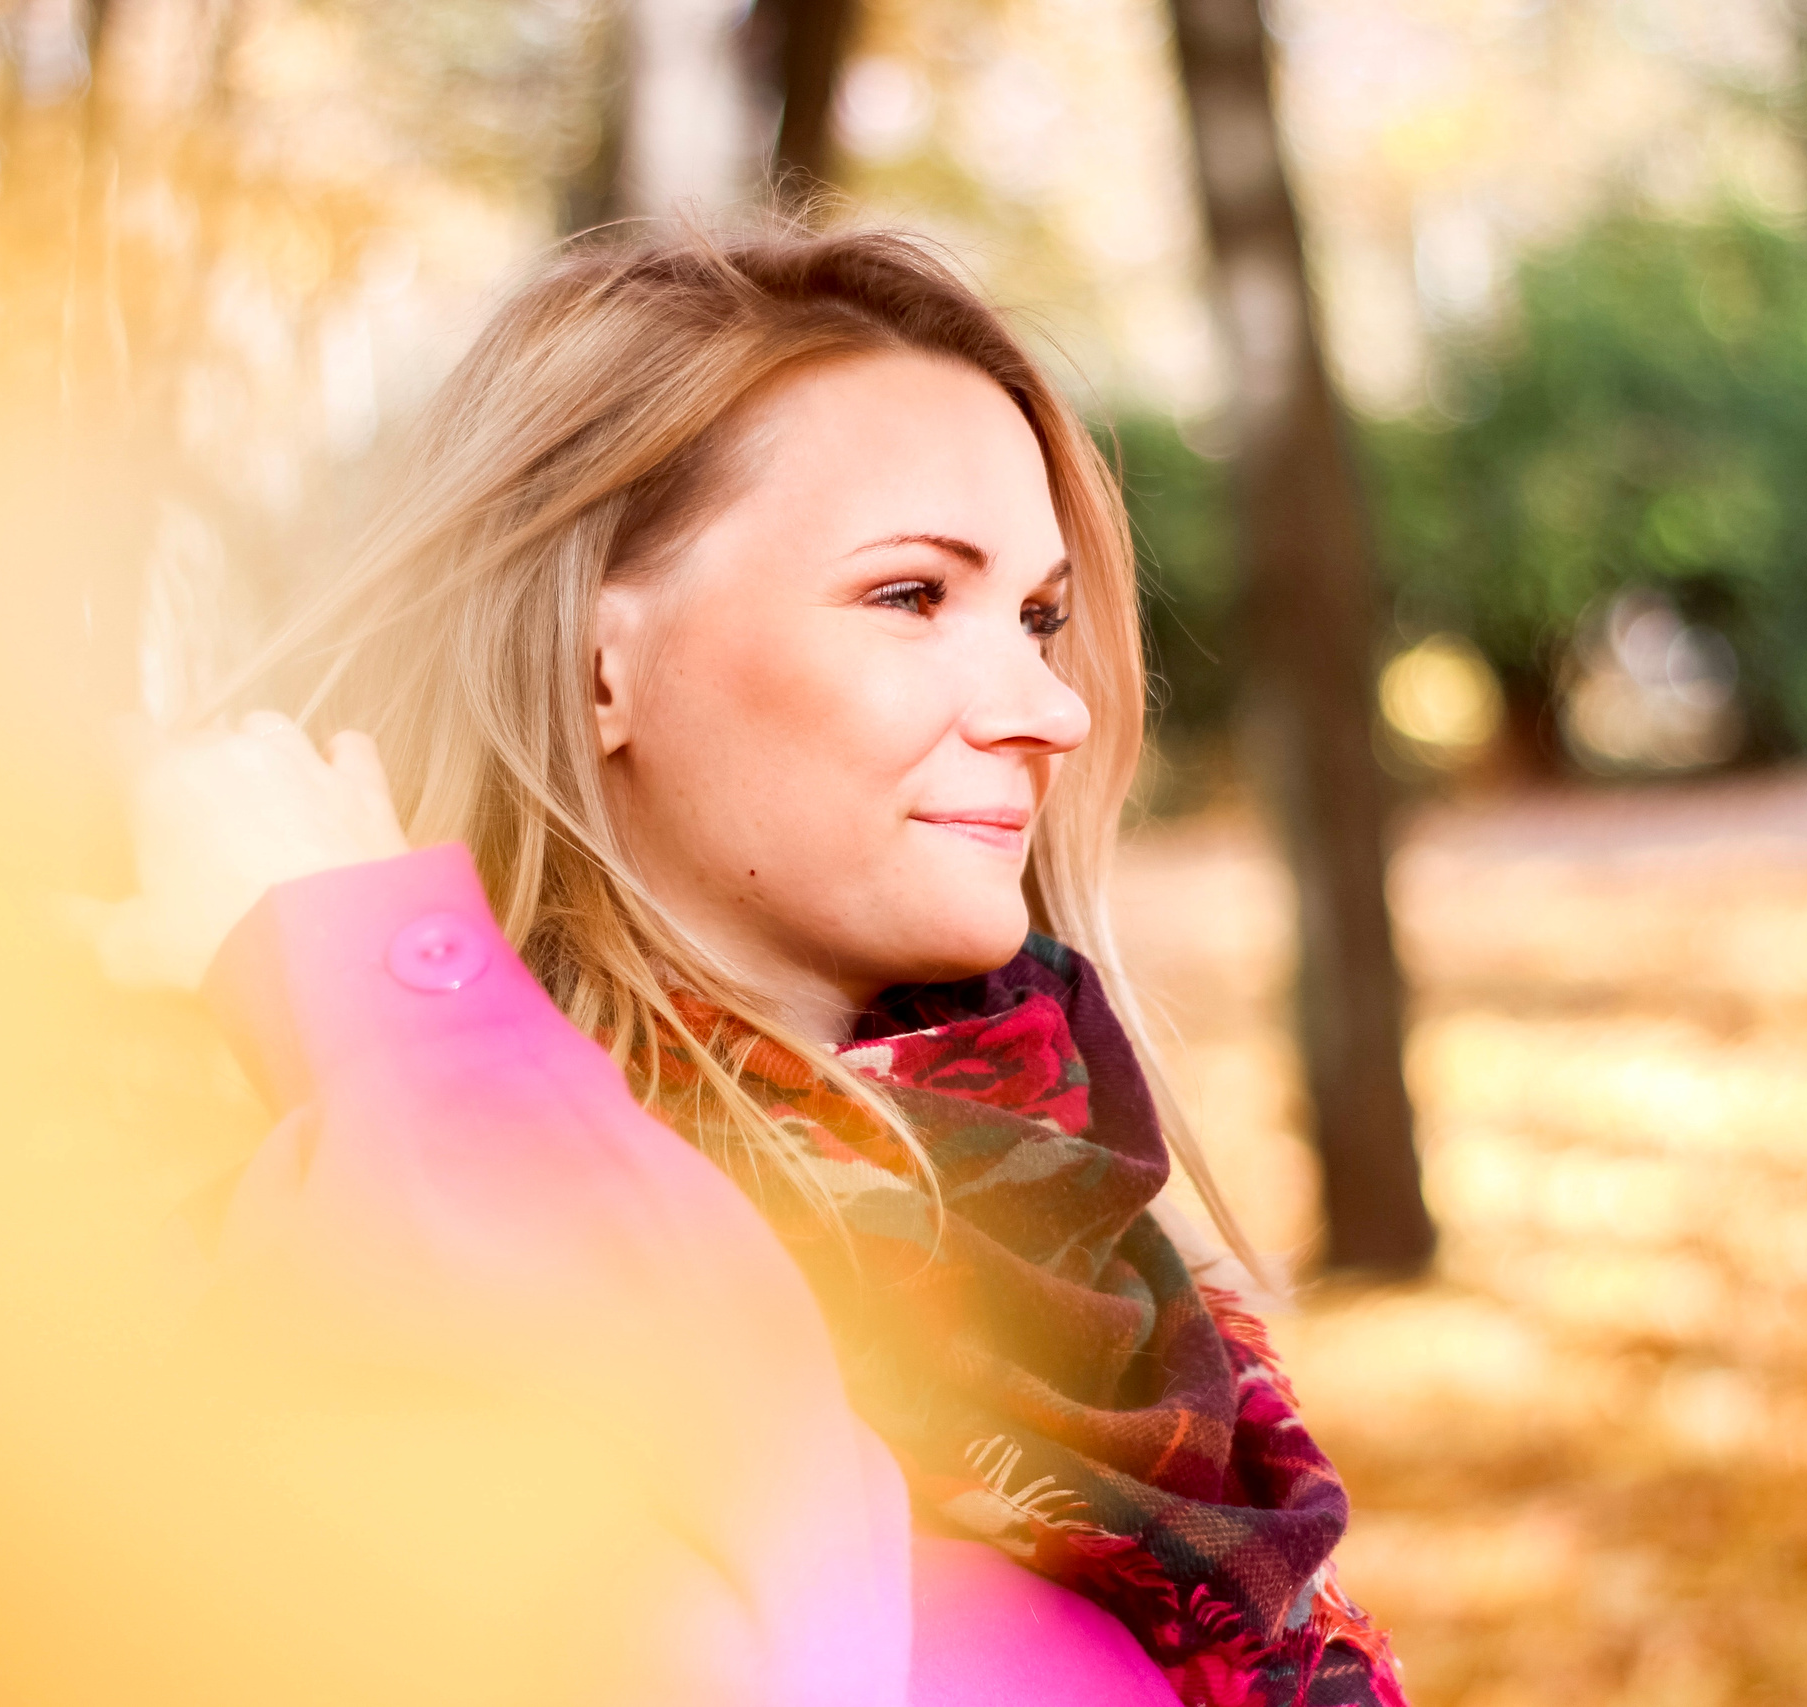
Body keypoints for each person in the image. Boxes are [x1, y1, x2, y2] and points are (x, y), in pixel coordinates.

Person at [95, 224, 1407, 1707]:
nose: (1055, 709)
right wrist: (400, 1021)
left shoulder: (1094, 1279)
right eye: (912, 596)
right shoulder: (334, 1262)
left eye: (1040, 618)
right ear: (597, 662)